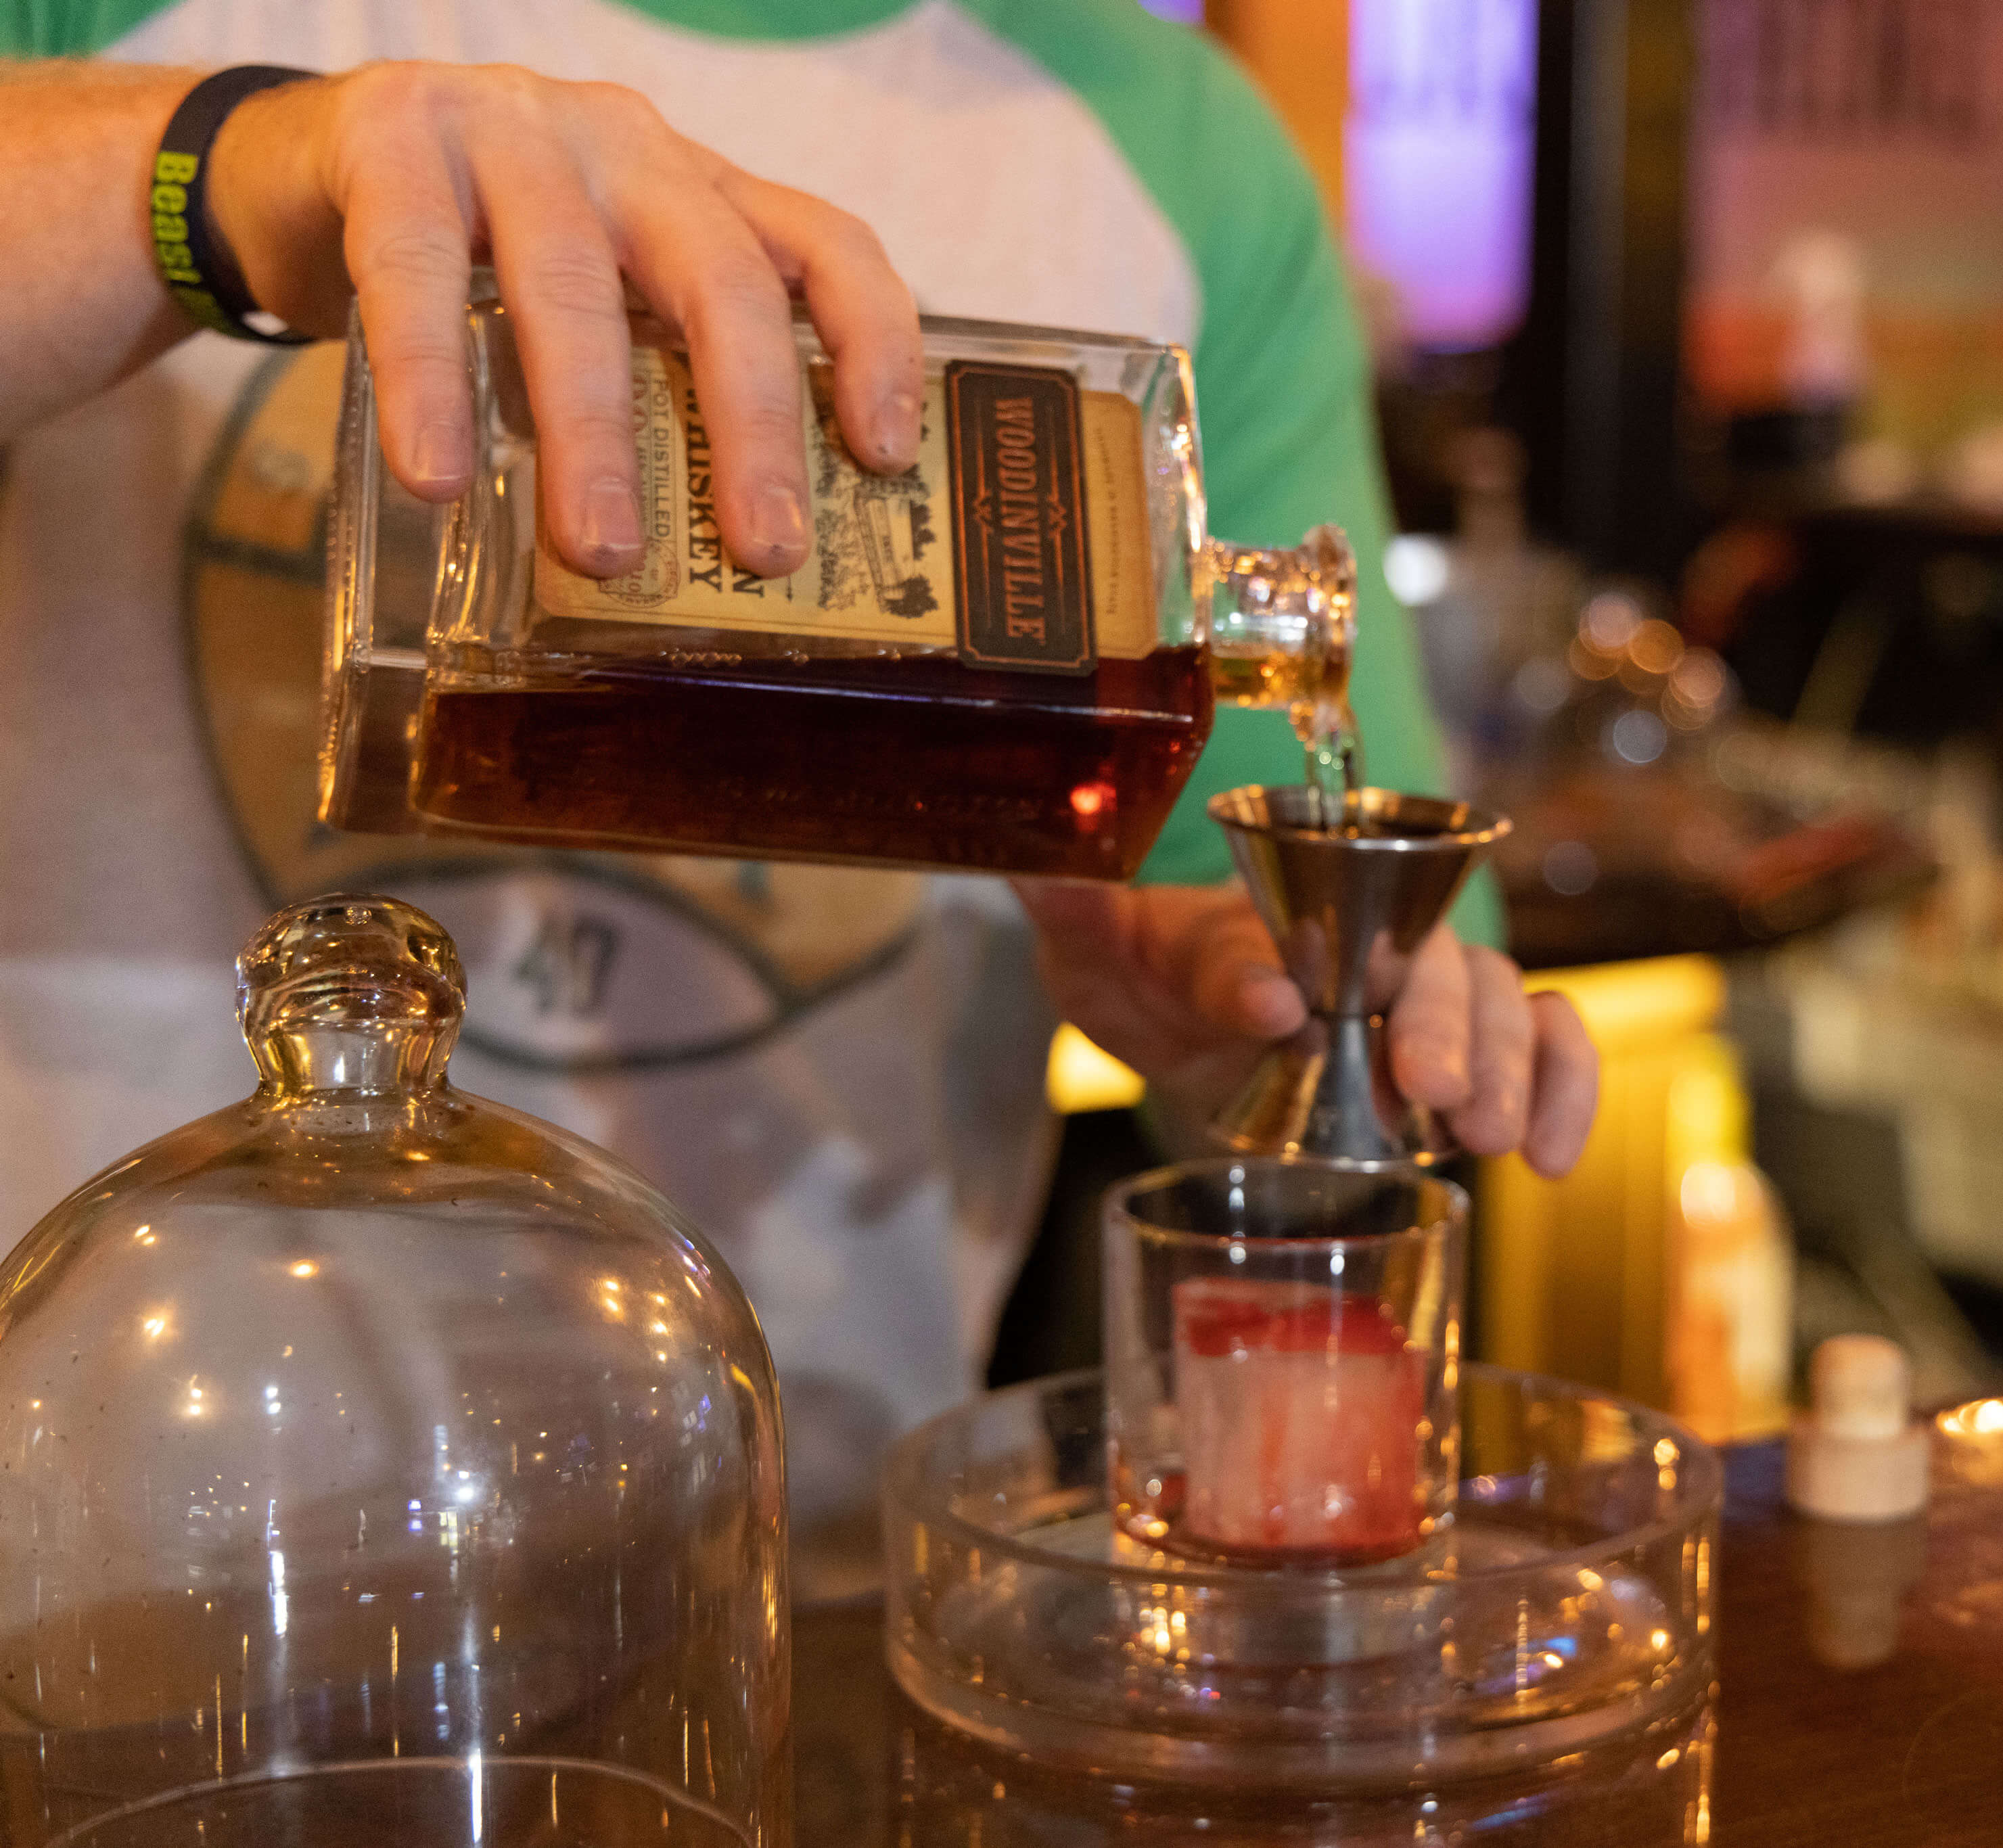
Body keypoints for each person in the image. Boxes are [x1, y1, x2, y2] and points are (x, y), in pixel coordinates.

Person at [0, 5, 1596, 1544]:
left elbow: (1268, 1058)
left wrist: (1236, 1027)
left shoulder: (1175, 144)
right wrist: (223, 165)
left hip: (785, 1567)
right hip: (103, 1539)